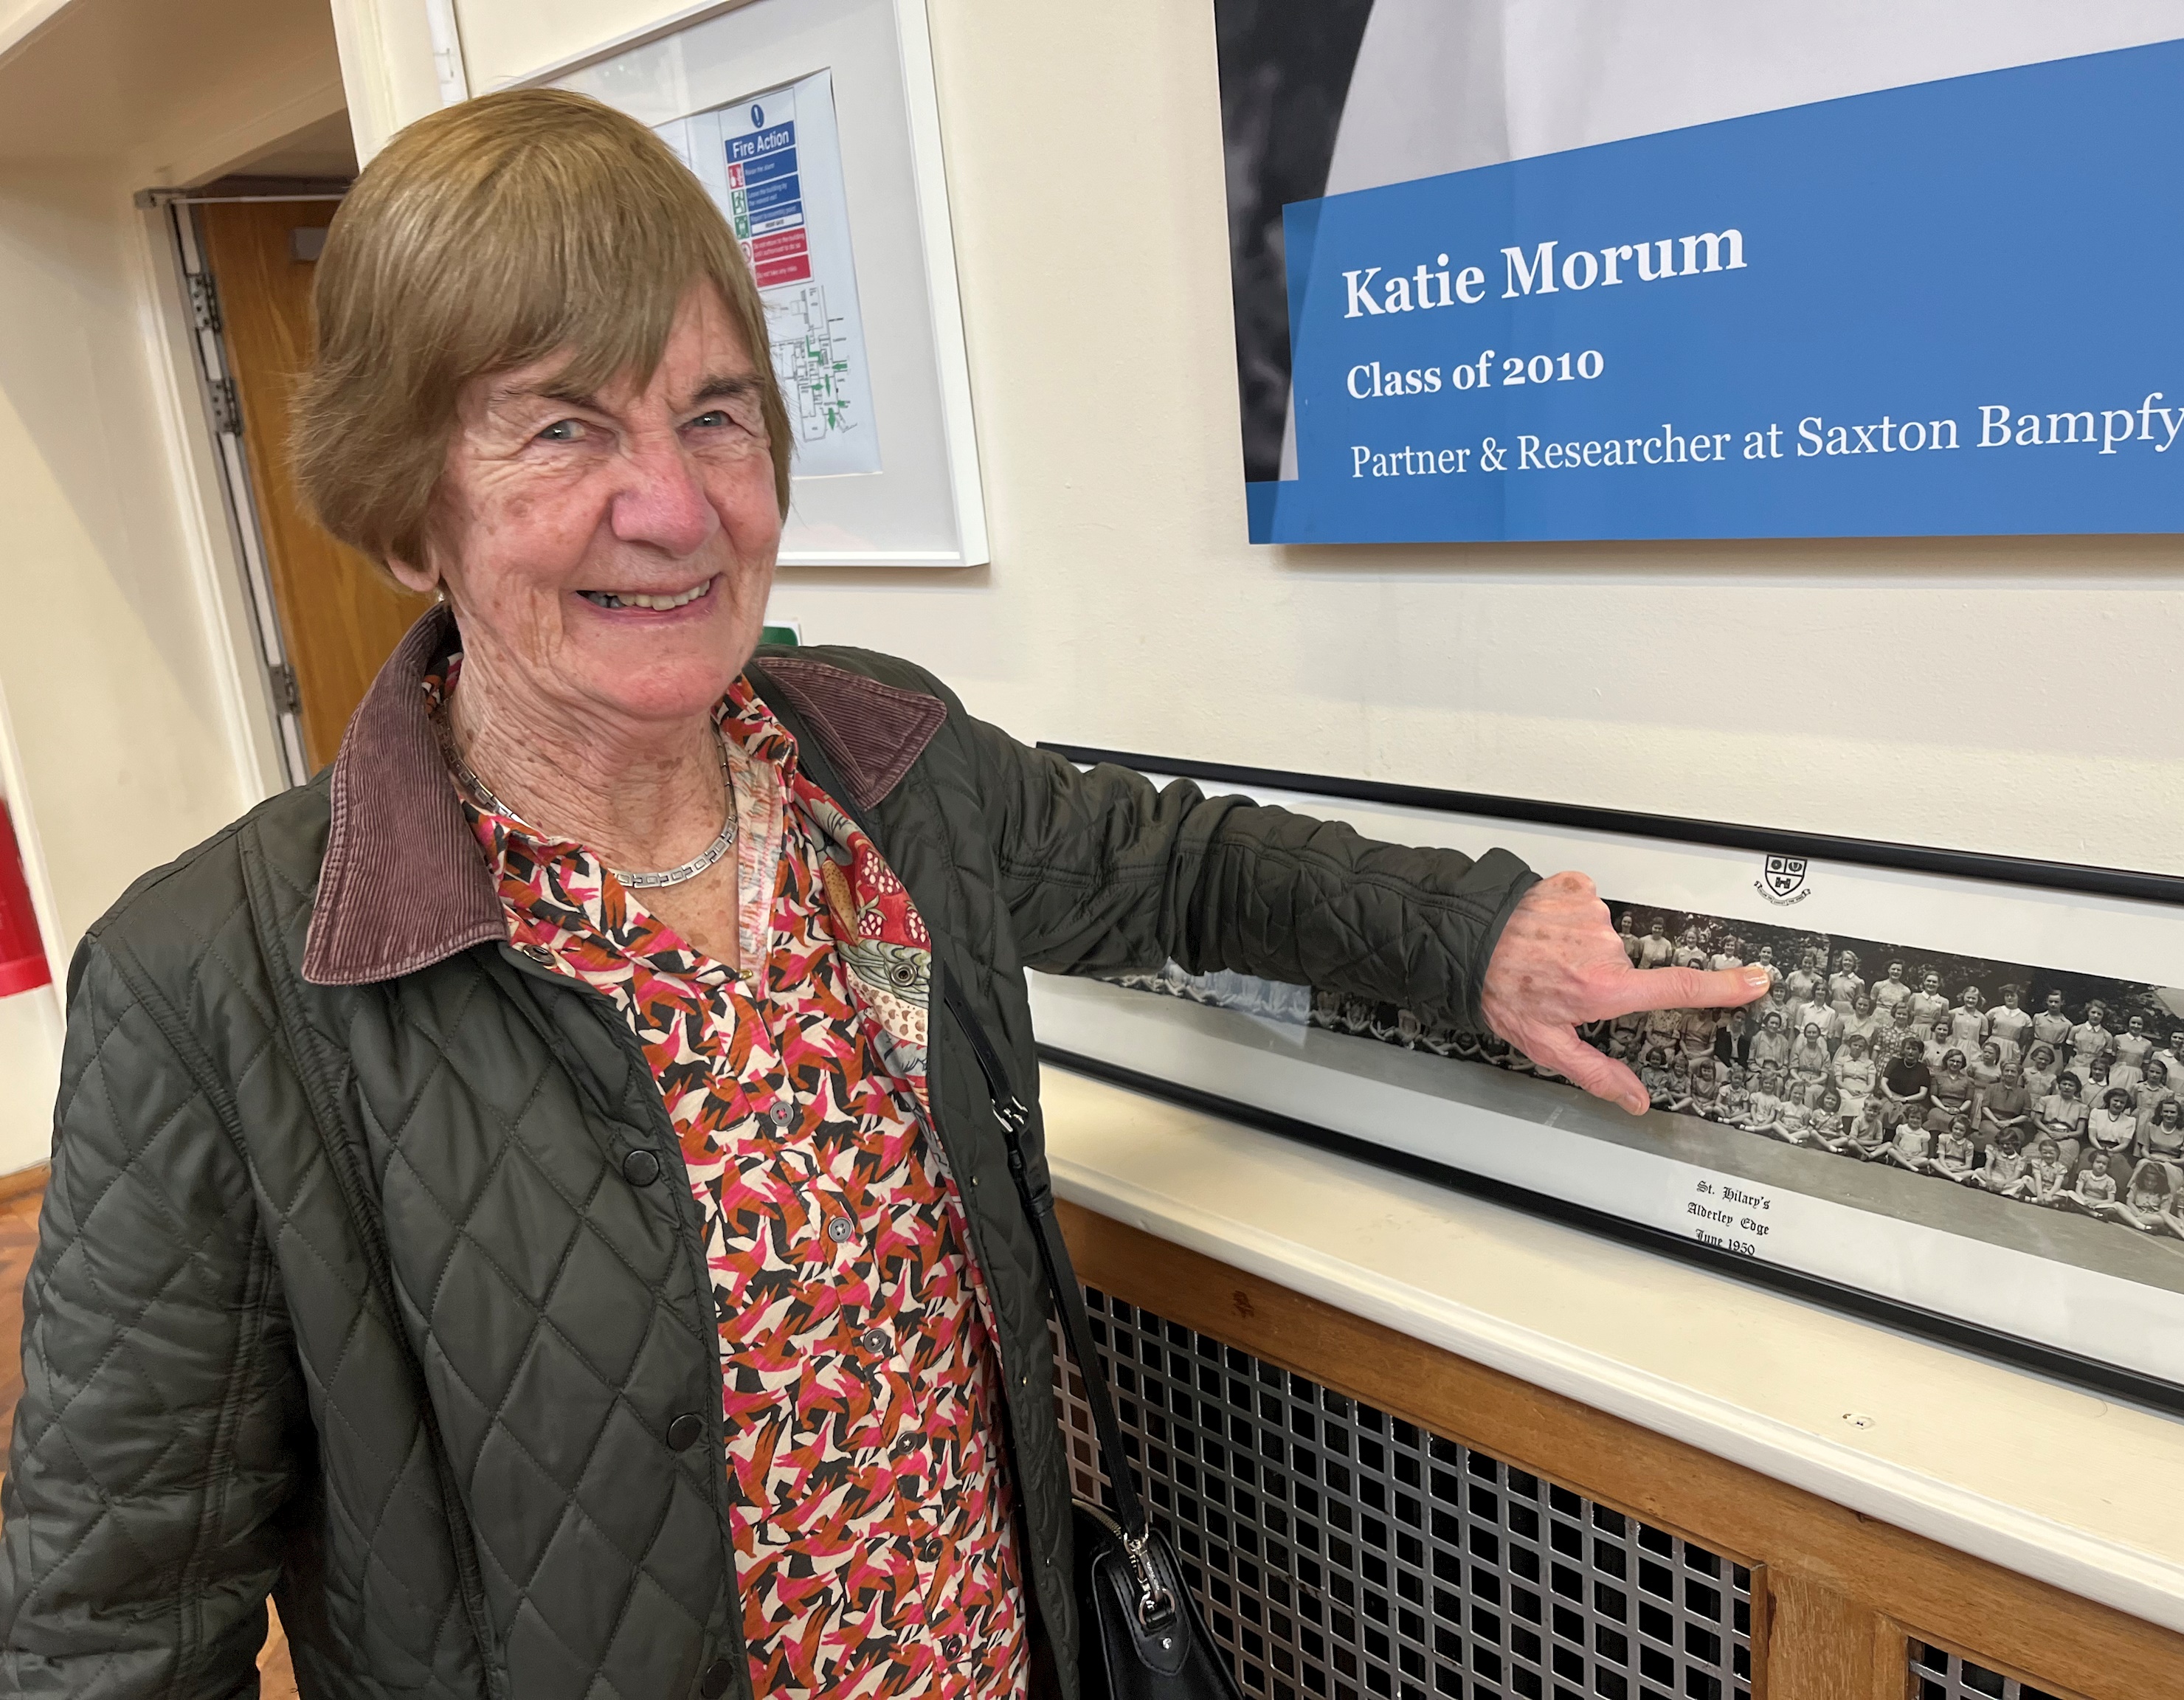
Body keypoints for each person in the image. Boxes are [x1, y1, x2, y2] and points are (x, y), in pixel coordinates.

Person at [0, 91, 1774, 1698]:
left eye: (714, 415)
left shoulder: (878, 772)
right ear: (409, 514)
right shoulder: (221, 983)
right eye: (561, 429)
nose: (671, 506)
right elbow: (110, 1633)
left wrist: (1479, 937)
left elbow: (1180, 862)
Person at [2112, 1158, 2178, 1232]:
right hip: (2135, 1212)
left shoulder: (2166, 1194)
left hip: (2150, 1216)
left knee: (2160, 1220)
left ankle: (2127, 1220)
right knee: (2117, 1204)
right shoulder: (2136, 1186)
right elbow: (2130, 1202)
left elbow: (2164, 1213)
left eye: (2154, 1181)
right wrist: (2138, 1214)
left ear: (2160, 1181)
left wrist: (2146, 1216)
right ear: (2142, 1178)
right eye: (2147, 1180)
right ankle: (2139, 1224)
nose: (2149, 1183)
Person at [2067, 1150, 2123, 1217]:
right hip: (2084, 1200)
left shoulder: (2110, 1181)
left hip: (2099, 1204)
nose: (2101, 1165)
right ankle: (2094, 1214)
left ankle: (2082, 1209)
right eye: (2098, 1162)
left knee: (2113, 1208)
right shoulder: (2084, 1173)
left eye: (2104, 1164)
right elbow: (2078, 1191)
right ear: (2093, 1162)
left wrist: (2095, 1202)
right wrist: (2085, 1199)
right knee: (2070, 1193)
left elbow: (2111, 1200)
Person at [2029, 989, 2075, 1065]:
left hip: (2055, 1053)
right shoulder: (2038, 1017)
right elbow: (2030, 1036)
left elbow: (2066, 1046)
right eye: (2051, 1001)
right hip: (2036, 1049)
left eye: (2056, 1002)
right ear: (2047, 1001)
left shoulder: (2067, 1024)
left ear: (2062, 1002)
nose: (2053, 1004)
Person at [1983, 984, 2030, 1054]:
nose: (2009, 998)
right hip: (1994, 1044)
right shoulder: (1994, 1011)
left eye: (2012, 996)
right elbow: (1986, 1029)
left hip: (2012, 1048)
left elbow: (2023, 1039)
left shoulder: (2025, 1017)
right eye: (2007, 996)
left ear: (2019, 997)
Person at [1947, 985, 1988, 1052]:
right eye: (1968, 997)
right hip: (1954, 1046)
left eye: (1974, 998)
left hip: (1972, 1050)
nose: (1970, 1000)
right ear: (1963, 997)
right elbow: (1946, 1028)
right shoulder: (1953, 1013)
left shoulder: (1982, 1018)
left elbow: (1983, 1036)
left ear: (1978, 1000)